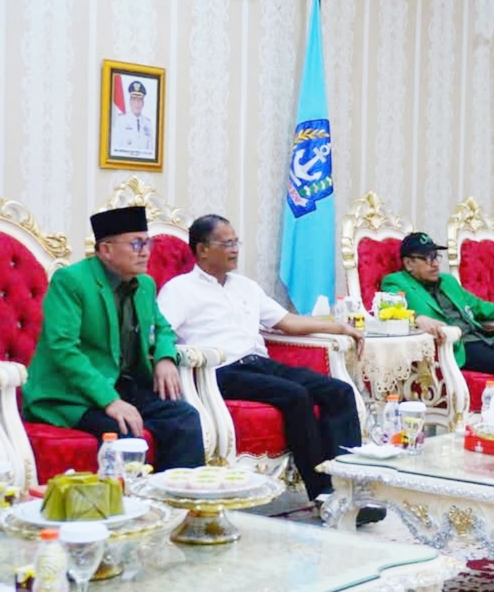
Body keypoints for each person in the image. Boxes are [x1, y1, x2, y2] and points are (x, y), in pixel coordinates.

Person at [157, 214, 384, 526]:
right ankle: (324, 495)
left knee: (339, 391)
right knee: (294, 395)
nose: (235, 249)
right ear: (202, 249)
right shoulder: (180, 289)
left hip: (258, 364)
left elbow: (286, 322)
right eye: (227, 243)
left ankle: (350, 489)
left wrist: (340, 327)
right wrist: (166, 359)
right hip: (218, 372)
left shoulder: (246, 286)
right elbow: (161, 333)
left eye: (236, 242)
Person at [22, 206, 205, 471]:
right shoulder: (71, 281)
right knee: (122, 429)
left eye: (147, 243)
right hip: (71, 394)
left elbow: (162, 328)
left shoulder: (145, 284)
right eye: (136, 244)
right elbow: (64, 349)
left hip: (126, 386)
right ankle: (128, 497)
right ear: (106, 250)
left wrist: (165, 358)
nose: (145, 251)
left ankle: (176, 494)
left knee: (184, 418)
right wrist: (110, 400)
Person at [381, 232, 494, 406]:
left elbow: (479, 307)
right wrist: (416, 318)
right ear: (408, 263)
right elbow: (388, 309)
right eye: (427, 258)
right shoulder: (395, 282)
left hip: (482, 340)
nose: (435, 264)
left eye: (436, 257)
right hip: (454, 348)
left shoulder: (447, 281)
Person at [111, 80, 154, 157]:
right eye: (134, 99)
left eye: (139, 100)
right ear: (130, 101)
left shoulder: (148, 124)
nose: (137, 103)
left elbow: (150, 151)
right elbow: (115, 148)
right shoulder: (121, 121)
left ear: (143, 103)